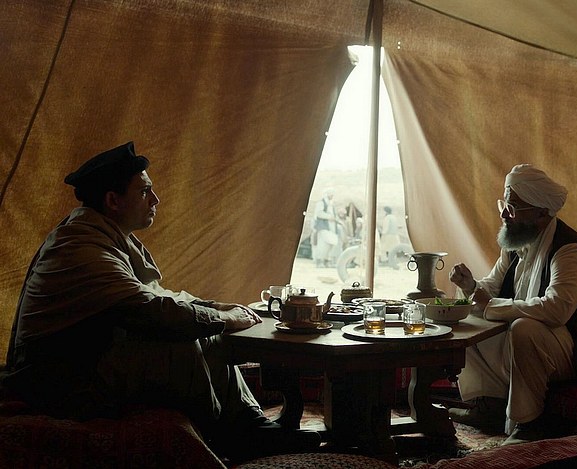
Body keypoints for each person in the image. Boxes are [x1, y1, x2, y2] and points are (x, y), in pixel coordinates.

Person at [1, 142, 320, 462]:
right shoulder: (79, 247)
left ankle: (252, 425)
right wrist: (224, 319)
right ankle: (225, 437)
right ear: (113, 200)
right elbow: (152, 310)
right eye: (144, 192)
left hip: (90, 361)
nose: (155, 199)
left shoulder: (106, 236)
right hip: (59, 382)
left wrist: (216, 308)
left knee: (208, 335)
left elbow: (160, 295)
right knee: (180, 348)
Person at [447, 163, 577, 446]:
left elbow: (556, 309)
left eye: (512, 208)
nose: (504, 215)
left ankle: (528, 423)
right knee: (466, 320)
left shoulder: (569, 249)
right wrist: (471, 286)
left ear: (541, 211)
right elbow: (492, 287)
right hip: (536, 344)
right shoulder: (516, 241)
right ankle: (491, 406)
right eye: (504, 205)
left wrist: (491, 305)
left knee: (525, 328)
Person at [311, 188, 340, 268]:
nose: (332, 196)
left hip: (331, 228)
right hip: (323, 227)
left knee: (331, 244)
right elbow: (319, 213)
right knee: (322, 245)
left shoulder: (331, 204)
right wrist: (329, 217)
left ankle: (327, 261)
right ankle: (320, 262)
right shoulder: (321, 203)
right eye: (330, 194)